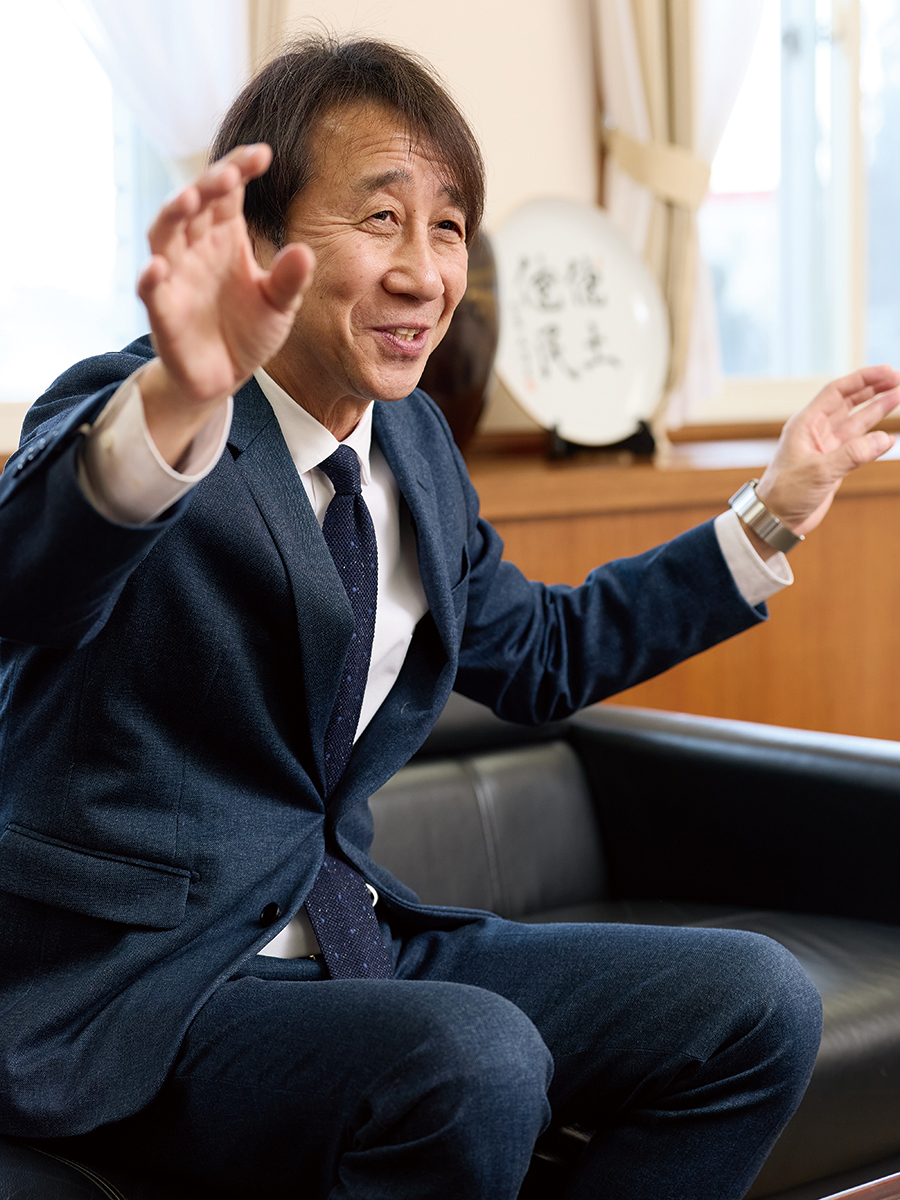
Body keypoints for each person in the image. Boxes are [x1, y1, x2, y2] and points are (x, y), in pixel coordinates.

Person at [0, 35, 896, 1200]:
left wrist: (771, 511)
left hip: (348, 940)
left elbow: (542, 655)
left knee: (754, 1004)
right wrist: (177, 395)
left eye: (450, 227)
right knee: (472, 1057)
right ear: (260, 239)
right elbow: (33, 576)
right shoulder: (148, 407)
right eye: (382, 219)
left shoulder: (413, 446)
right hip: (140, 990)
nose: (424, 273)